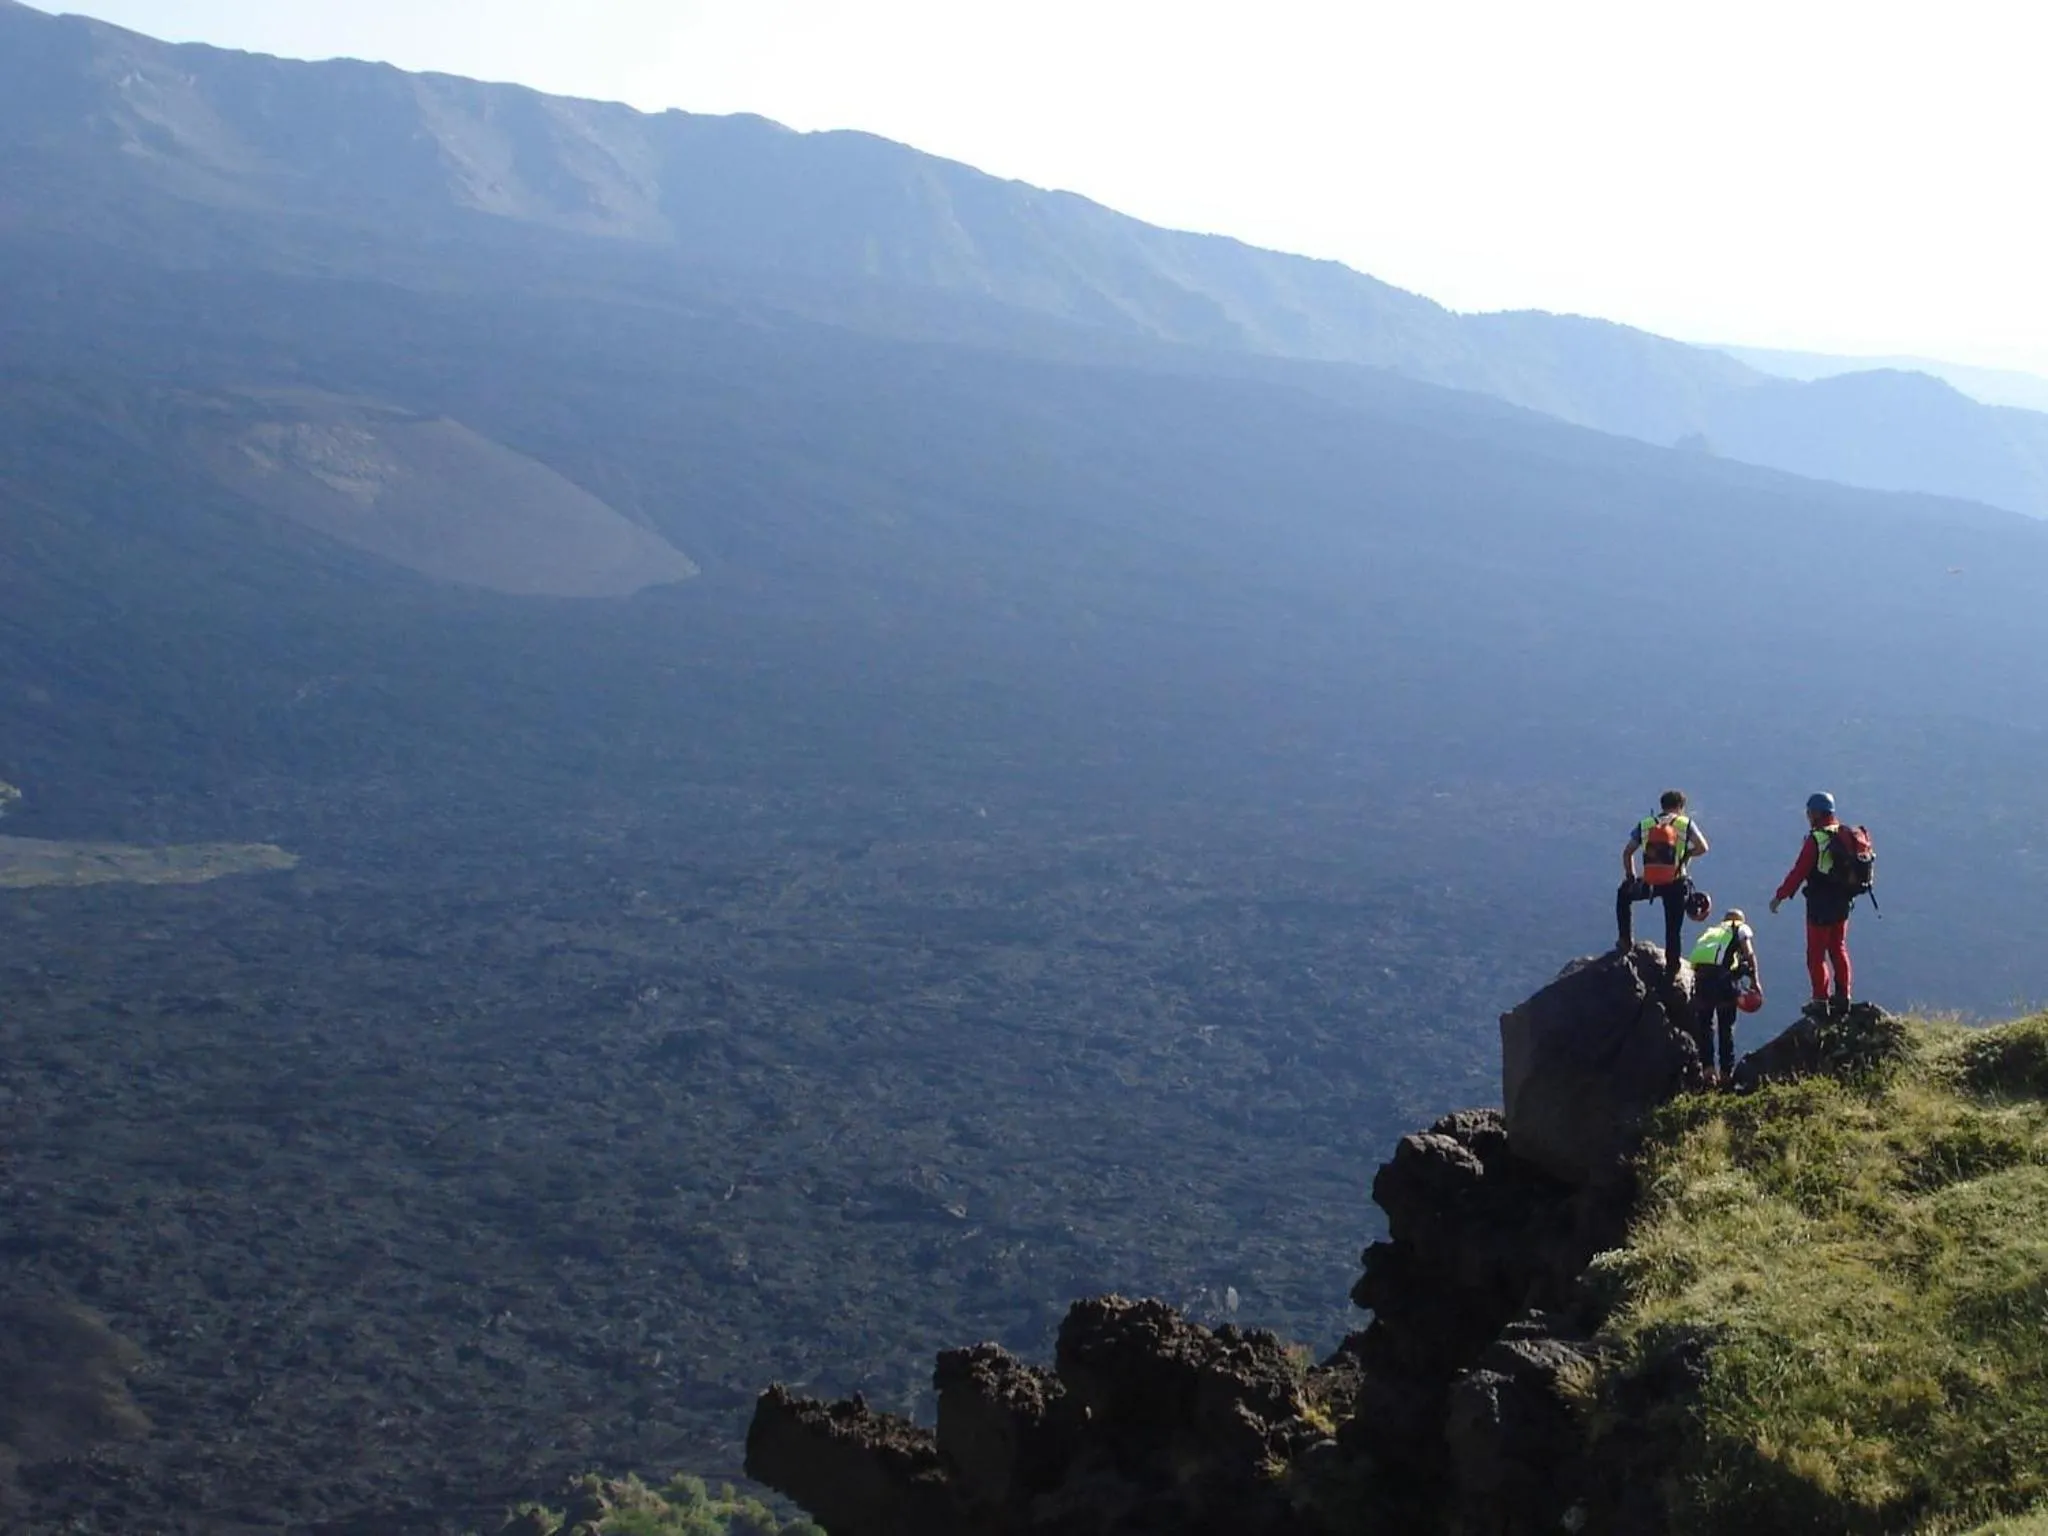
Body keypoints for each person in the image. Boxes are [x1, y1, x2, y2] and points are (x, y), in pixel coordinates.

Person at [1770, 791, 1854, 1016]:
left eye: (1809, 812)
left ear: (1816, 813)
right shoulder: (1843, 834)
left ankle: (1820, 1000)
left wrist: (1780, 896)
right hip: (1843, 901)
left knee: (1815, 955)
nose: (1807, 816)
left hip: (1820, 903)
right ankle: (1843, 996)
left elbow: (1800, 871)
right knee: (1838, 948)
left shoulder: (1816, 839)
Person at [1617, 789, 1709, 978]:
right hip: (1676, 882)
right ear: (1681, 807)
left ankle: (1625, 940)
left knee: (1623, 895)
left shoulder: (1646, 824)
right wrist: (1687, 854)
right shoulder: (1685, 824)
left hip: (1651, 882)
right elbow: (1703, 847)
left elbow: (1627, 852)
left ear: (1662, 805)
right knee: (1673, 929)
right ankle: (1672, 968)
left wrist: (1631, 877)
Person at [1688, 908, 1761, 1082]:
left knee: (1705, 1026)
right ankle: (1726, 1074)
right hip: (1723, 980)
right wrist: (1755, 980)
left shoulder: (1712, 932)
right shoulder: (1739, 927)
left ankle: (1708, 1071)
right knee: (1726, 1025)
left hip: (1701, 980)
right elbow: (1749, 952)